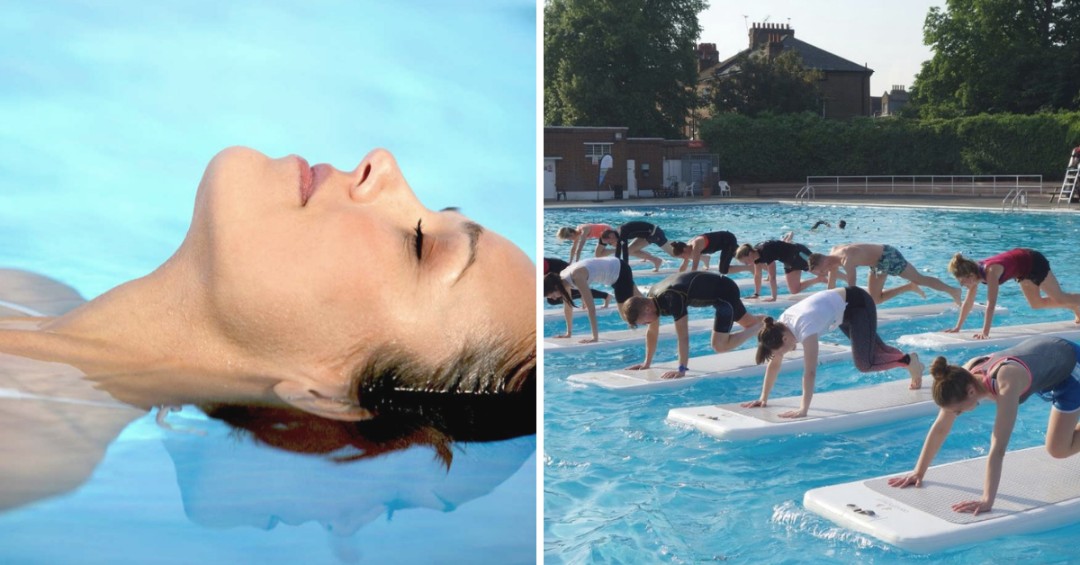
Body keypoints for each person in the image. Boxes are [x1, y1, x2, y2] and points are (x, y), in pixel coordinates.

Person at [0, 147, 537, 509]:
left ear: (329, 389)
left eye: (420, 244)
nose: (383, 164)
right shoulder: (27, 292)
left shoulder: (27, 449)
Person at [888, 336, 1080, 515]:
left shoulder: (1007, 382)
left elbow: (998, 448)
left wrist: (987, 500)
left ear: (971, 392)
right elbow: (940, 428)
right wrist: (918, 472)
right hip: (1049, 364)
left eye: (958, 410)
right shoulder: (961, 376)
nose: (956, 414)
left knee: (1058, 449)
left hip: (1071, 367)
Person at [741, 287, 924, 418]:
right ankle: (910, 361)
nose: (784, 354)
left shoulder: (805, 328)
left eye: (782, 351)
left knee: (865, 364)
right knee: (878, 350)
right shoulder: (780, 326)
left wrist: (803, 409)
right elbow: (774, 363)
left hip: (858, 305)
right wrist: (763, 398)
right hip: (844, 310)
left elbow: (810, 372)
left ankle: (908, 361)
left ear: (785, 340)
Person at [620, 272, 763, 379]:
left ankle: (760, 326)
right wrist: (646, 363)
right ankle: (770, 323)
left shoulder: (671, 297)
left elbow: (683, 336)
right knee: (749, 322)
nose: (647, 324)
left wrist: (681, 369)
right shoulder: (652, 300)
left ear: (646, 309)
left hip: (724, 293)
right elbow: (652, 333)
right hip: (722, 288)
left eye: (644, 322)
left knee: (719, 345)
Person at [946, 249, 1080, 339]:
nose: (962, 285)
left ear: (970, 275)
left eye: (962, 282)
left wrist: (985, 333)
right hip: (1023, 270)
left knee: (1060, 297)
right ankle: (1074, 306)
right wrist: (957, 327)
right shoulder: (975, 276)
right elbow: (968, 302)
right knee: (1036, 304)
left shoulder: (990, 272)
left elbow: (991, 304)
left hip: (1034, 262)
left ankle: (1074, 303)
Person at [808, 243, 961, 304]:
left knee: (920, 279)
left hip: (888, 256)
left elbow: (852, 289)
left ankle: (953, 290)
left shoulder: (847, 260)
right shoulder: (832, 256)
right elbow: (831, 286)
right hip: (877, 264)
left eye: (822, 271)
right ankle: (909, 287)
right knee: (874, 299)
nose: (824, 274)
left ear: (825, 263)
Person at [543, 256, 641, 343]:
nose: (554, 298)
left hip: (619, 272)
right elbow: (568, 308)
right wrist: (568, 333)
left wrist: (595, 337)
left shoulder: (577, 277)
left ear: (555, 287)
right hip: (614, 269)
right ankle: (654, 312)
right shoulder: (562, 280)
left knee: (626, 316)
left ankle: (650, 320)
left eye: (552, 295)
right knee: (641, 299)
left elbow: (591, 308)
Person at [734, 239, 827, 301]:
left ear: (749, 254)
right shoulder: (756, 255)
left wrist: (773, 297)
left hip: (798, 254)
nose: (746, 264)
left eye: (745, 261)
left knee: (824, 270)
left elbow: (773, 276)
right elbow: (757, 275)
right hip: (789, 262)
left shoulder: (766, 251)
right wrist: (756, 294)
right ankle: (819, 279)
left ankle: (835, 281)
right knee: (794, 290)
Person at [598, 221, 675, 271]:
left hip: (655, 234)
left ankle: (685, 252)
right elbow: (618, 251)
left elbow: (624, 252)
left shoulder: (622, 233)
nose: (610, 244)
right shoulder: (617, 234)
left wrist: (625, 269)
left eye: (609, 242)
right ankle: (656, 260)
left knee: (673, 254)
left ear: (611, 236)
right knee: (630, 250)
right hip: (645, 236)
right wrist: (616, 264)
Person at [668, 230, 752, 275]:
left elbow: (694, 269)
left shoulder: (696, 246)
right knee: (745, 257)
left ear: (684, 249)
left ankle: (750, 268)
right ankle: (755, 265)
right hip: (725, 242)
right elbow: (683, 267)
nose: (683, 258)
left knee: (723, 270)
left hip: (728, 240)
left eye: (682, 256)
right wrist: (677, 277)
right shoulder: (688, 249)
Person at [543, 257, 610, 308]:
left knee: (577, 290)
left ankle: (605, 296)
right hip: (553, 275)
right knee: (552, 300)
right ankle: (583, 294)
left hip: (562, 270)